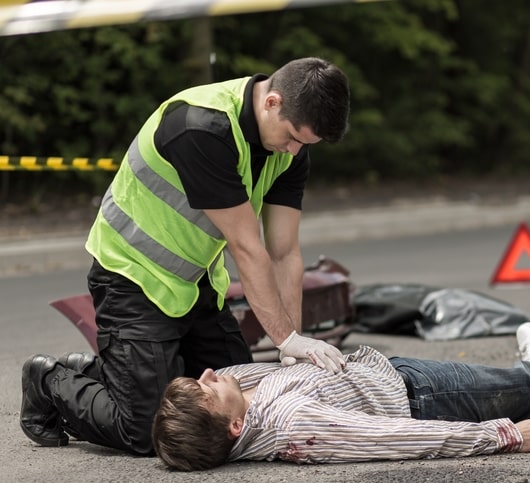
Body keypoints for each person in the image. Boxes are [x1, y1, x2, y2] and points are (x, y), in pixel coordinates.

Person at [20, 57, 352, 457]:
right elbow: (247, 248)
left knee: (237, 403)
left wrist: (292, 349)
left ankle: (129, 371)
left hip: (194, 285)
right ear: (272, 102)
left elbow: (284, 252)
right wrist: (286, 337)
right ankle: (51, 379)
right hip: (132, 278)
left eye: (305, 145)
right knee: (148, 431)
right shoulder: (201, 128)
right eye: (293, 137)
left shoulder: (289, 149)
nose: (294, 150)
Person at [151, 323, 530, 471]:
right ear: (234, 430)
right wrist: (504, 436)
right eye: (206, 389)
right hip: (425, 399)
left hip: (394, 373)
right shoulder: (296, 427)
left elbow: (232, 373)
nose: (208, 374)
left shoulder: (247, 405)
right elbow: (399, 438)